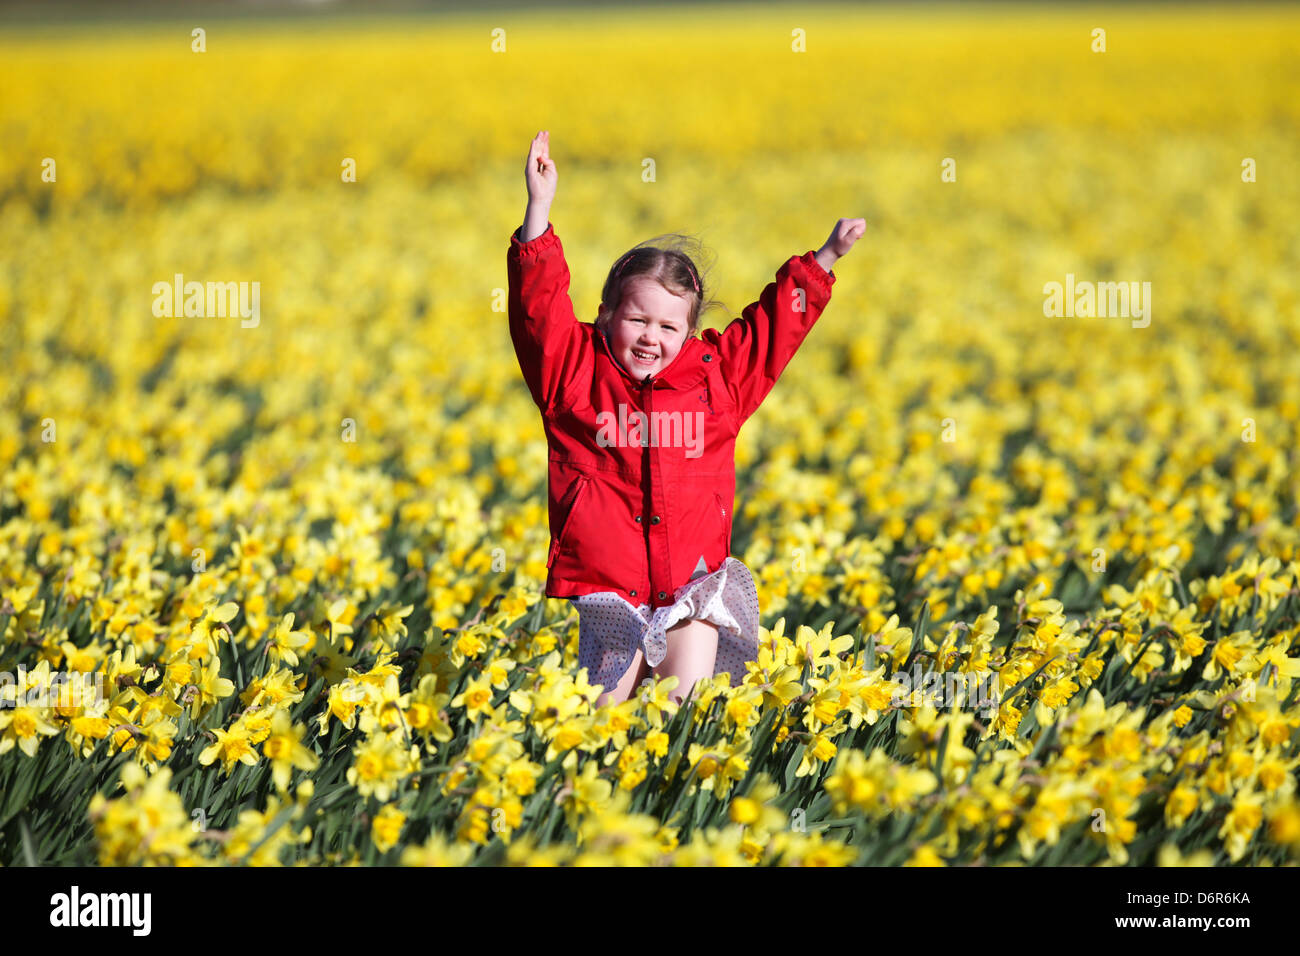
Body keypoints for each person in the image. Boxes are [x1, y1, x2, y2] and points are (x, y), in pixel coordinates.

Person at [507, 129, 865, 708]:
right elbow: (537, 314)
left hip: (692, 586)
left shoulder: (717, 380)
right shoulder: (572, 375)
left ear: (690, 332)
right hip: (611, 593)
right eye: (636, 320)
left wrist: (823, 262)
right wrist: (538, 215)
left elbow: (772, 334)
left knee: (685, 709)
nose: (651, 337)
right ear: (604, 316)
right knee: (604, 721)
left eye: (669, 327)